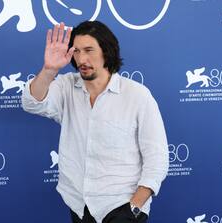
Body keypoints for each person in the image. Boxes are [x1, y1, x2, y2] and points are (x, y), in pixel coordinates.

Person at [22, 20, 169, 223]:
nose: (82, 58)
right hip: (80, 206)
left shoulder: (137, 95)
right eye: (76, 51)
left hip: (122, 206)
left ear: (107, 51)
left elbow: (157, 158)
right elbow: (32, 103)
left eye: (89, 50)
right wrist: (49, 69)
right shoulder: (66, 86)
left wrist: (134, 207)